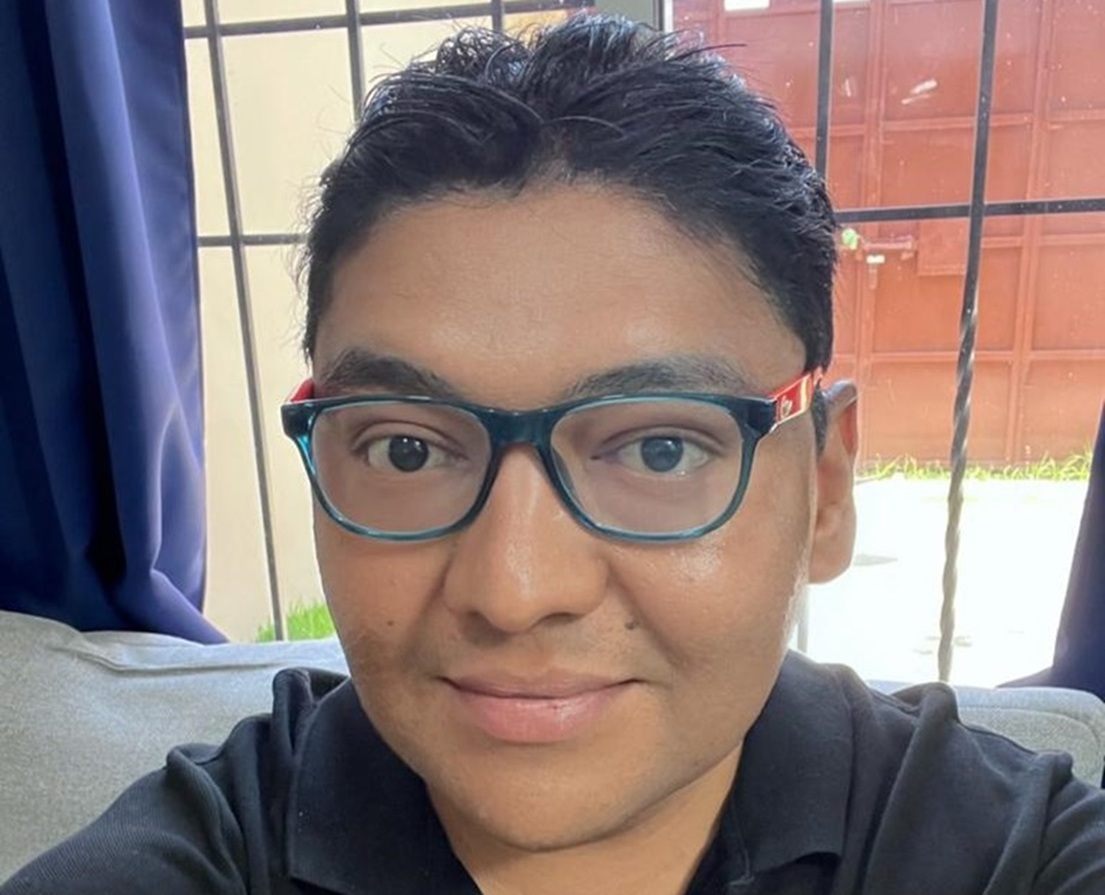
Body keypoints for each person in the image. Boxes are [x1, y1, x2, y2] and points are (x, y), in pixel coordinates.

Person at [4, 14, 1104, 895]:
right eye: (405, 446)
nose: (514, 590)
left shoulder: (1011, 849)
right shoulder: (207, 850)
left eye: (659, 448)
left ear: (822, 490)